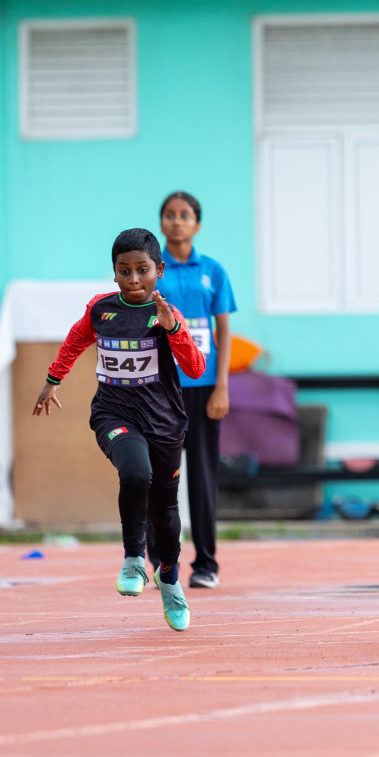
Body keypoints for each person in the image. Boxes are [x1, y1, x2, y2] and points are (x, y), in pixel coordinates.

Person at [33, 228, 205, 631]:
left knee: (165, 512)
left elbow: (196, 368)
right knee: (134, 472)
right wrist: (52, 379)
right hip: (115, 415)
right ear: (113, 273)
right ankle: (133, 558)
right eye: (124, 271)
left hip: (163, 423)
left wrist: (174, 331)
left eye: (142, 270)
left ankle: (169, 576)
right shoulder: (101, 310)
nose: (133, 279)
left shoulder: (167, 314)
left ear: (159, 271)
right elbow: (76, 340)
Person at [154, 192, 236, 589]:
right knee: (159, 477)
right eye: (169, 215)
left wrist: (222, 387)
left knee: (202, 478)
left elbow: (224, 332)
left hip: (203, 389)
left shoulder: (213, 271)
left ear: (197, 224)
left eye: (184, 215)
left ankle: (206, 563)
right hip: (161, 389)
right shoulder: (153, 271)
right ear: (162, 223)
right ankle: (157, 560)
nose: (176, 221)